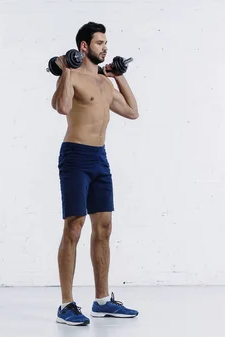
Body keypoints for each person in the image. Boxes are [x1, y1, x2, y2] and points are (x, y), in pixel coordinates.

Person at [50, 21, 139, 326]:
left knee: (104, 228)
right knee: (73, 228)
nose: (105, 48)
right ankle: (66, 305)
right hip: (75, 156)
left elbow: (132, 111)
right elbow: (61, 107)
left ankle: (102, 301)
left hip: (100, 159)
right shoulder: (73, 76)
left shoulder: (105, 84)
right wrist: (65, 71)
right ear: (84, 47)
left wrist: (118, 76)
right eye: (100, 43)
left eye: (106, 43)